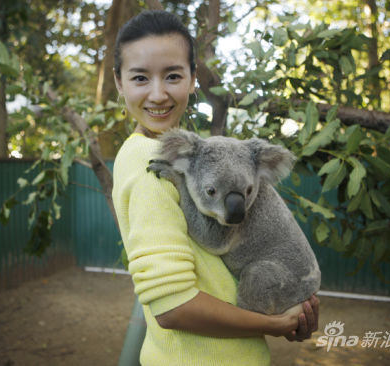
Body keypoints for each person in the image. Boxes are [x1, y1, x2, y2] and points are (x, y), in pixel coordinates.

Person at [111, 9, 319, 365]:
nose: (158, 94)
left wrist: (288, 311)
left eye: (173, 75)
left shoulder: (195, 154)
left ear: (194, 79)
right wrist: (275, 323)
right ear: (118, 82)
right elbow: (172, 307)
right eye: (140, 78)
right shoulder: (153, 162)